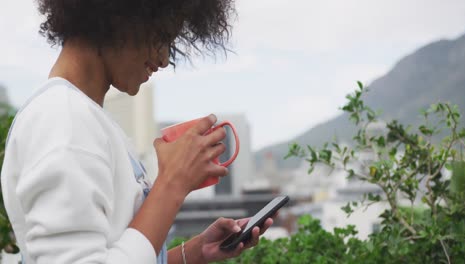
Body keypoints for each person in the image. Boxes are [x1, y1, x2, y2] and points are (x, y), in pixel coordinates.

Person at [0, 0, 275, 263]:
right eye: (163, 36)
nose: (165, 58)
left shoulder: (83, 117)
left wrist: (193, 253)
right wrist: (173, 183)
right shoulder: (64, 120)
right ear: (119, 17)